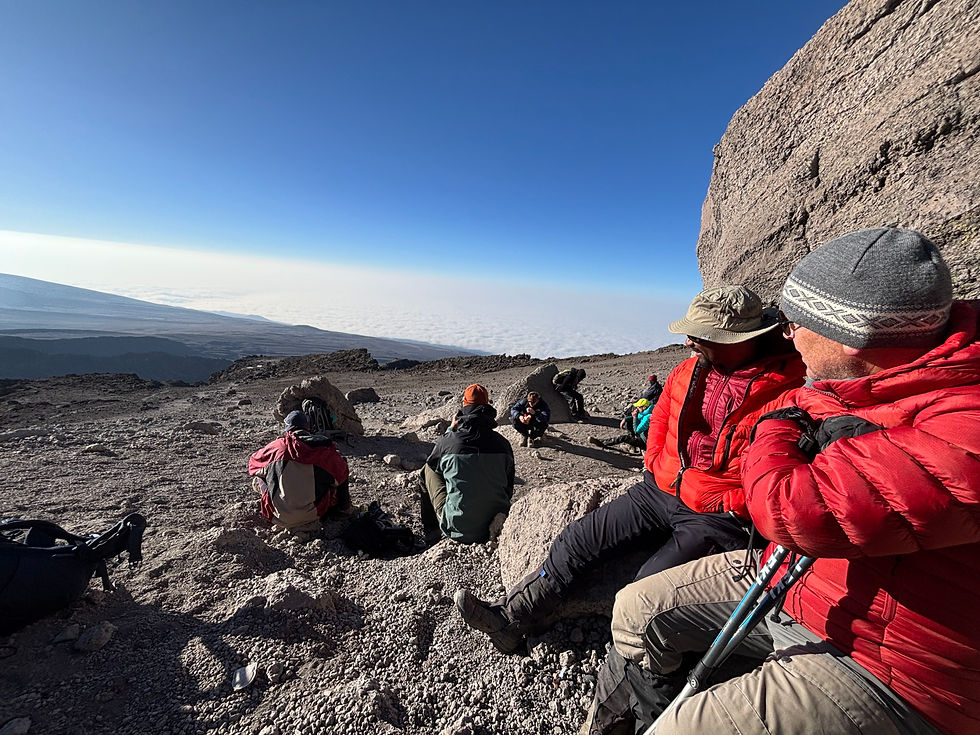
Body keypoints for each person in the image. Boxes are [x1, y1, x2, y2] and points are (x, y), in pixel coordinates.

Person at [588, 227, 979, 735]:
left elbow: (790, 508)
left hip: (894, 662)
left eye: (797, 324)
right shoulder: (862, 384)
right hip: (803, 579)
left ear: (850, 334)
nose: (788, 336)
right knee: (635, 609)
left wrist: (778, 422)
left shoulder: (965, 420)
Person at [455, 285, 805, 654]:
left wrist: (730, 503)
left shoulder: (789, 388)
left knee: (646, 594)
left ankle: (637, 669)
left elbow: (781, 475)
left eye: (701, 335)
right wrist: (655, 464)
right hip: (658, 490)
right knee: (578, 539)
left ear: (739, 339)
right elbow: (661, 422)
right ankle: (511, 618)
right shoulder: (688, 371)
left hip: (716, 515)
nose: (688, 342)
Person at [420, 384, 516, 545]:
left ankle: (432, 533)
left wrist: (451, 430)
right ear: (487, 405)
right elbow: (509, 488)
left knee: (427, 470)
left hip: (458, 530)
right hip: (495, 525)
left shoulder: (449, 441)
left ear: (464, 405)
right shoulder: (503, 444)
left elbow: (434, 463)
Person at [248, 410, 351, 531]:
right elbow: (342, 473)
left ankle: (278, 502)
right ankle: (343, 508)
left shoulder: (278, 446)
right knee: (340, 466)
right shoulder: (323, 449)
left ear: (288, 429)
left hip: (277, 516)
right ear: (307, 428)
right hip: (315, 514)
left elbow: (253, 464)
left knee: (258, 477)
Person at [588, 397, 653, 451]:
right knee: (629, 422)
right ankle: (632, 446)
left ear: (644, 407)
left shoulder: (647, 417)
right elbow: (639, 416)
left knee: (623, 438)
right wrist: (625, 419)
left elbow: (637, 431)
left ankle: (602, 443)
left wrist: (635, 418)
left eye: (638, 407)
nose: (637, 409)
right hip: (643, 437)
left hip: (645, 442)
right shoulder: (646, 413)